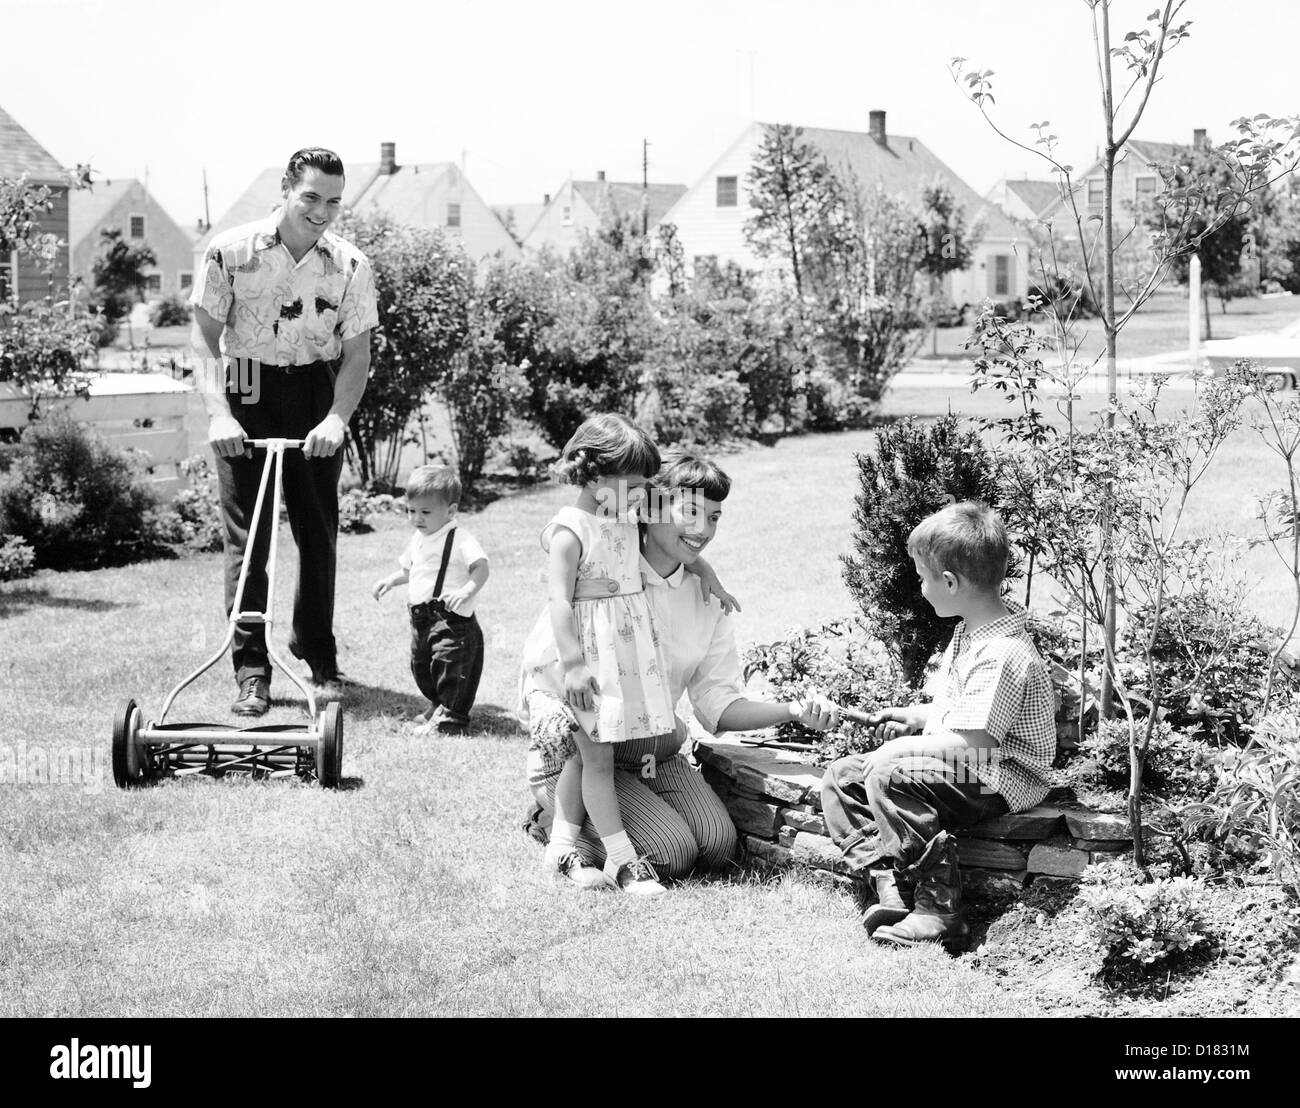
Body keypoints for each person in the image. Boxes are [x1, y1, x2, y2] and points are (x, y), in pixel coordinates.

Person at [523, 449, 840, 885]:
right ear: (649, 507)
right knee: (671, 853)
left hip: (657, 749)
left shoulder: (708, 598)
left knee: (715, 844)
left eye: (713, 517)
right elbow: (548, 663)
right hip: (590, 749)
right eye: (689, 511)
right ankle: (554, 819)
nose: (702, 530)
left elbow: (718, 705)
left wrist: (791, 710)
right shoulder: (602, 573)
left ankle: (628, 810)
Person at [189, 147, 379, 716]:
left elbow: (357, 353)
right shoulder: (231, 251)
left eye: (334, 201)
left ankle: (316, 650)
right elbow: (201, 336)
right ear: (286, 191)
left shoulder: (350, 265)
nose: (322, 211)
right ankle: (251, 669)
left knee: (317, 530)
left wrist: (336, 418)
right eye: (311, 198)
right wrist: (220, 413)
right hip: (246, 382)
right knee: (249, 538)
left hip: (316, 389)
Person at [820, 501, 1056, 952]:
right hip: (974, 760)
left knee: (891, 775)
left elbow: (976, 741)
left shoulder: (1001, 652)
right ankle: (890, 883)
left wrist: (902, 749)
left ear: (949, 582)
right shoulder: (971, 631)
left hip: (999, 775)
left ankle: (939, 909)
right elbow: (967, 713)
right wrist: (921, 717)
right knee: (843, 776)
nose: (921, 587)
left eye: (923, 577)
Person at [372, 465, 489, 735]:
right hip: (421, 620)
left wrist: (465, 591)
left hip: (452, 622)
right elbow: (409, 570)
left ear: (450, 511)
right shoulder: (419, 538)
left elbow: (481, 567)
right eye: (411, 511)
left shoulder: (460, 539)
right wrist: (391, 580)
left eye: (425, 512)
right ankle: (437, 704)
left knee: (451, 666)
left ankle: (451, 718)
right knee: (422, 665)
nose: (416, 519)